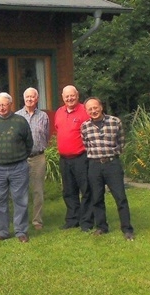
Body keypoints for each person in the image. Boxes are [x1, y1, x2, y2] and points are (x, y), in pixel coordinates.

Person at [81, 97, 135, 241]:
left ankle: (127, 229)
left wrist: (111, 153)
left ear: (101, 107)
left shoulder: (115, 122)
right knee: (97, 198)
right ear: (86, 111)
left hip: (112, 164)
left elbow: (121, 142)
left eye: (95, 107)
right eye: (90, 109)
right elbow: (86, 145)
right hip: (94, 165)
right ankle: (101, 227)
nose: (93, 111)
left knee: (120, 197)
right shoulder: (85, 126)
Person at [0, 92, 33, 242]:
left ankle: (21, 231)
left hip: (18, 167)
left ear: (10, 104)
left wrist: (19, 157)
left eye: (4, 104)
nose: (1, 108)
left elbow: (29, 143)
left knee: (21, 200)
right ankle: (3, 231)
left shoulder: (20, 121)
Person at [54, 85, 93, 231]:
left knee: (86, 190)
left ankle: (87, 221)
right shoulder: (59, 112)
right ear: (63, 97)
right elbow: (59, 130)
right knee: (69, 191)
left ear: (77, 95)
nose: (70, 98)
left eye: (72, 95)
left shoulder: (85, 111)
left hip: (81, 157)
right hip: (65, 159)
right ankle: (72, 219)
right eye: (67, 96)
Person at [15, 87, 50, 230]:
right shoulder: (17, 116)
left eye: (32, 97)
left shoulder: (43, 116)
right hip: (21, 158)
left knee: (37, 190)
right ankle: (21, 220)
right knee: (20, 190)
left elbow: (46, 136)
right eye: (27, 97)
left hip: (38, 157)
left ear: (37, 99)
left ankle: (37, 221)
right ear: (24, 99)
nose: (29, 99)